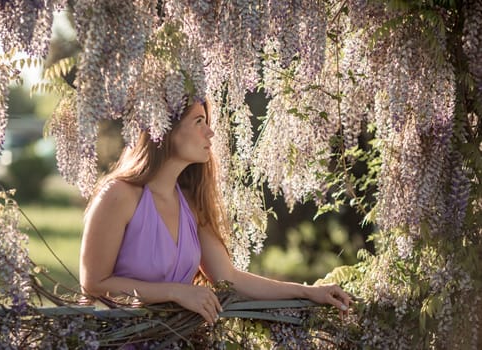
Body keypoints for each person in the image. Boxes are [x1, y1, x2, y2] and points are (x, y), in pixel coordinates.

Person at [79, 98, 351, 326]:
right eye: (199, 121)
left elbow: (229, 278)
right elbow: (93, 283)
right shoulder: (119, 195)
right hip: (120, 339)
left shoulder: (190, 203)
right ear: (166, 129)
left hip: (175, 341)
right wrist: (175, 292)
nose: (210, 133)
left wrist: (308, 291)